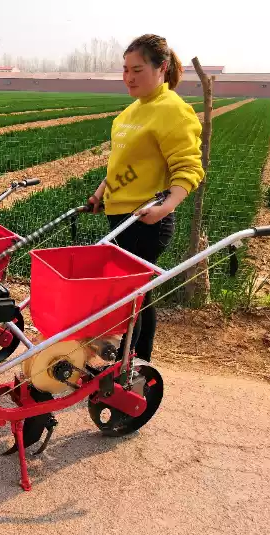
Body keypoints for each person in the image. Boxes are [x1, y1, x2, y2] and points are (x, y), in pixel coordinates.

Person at [87, 34, 204, 362]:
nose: (129, 77)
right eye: (125, 69)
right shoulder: (130, 113)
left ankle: (123, 369)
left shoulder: (173, 111)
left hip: (148, 219)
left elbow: (188, 167)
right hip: (118, 215)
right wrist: (99, 194)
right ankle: (140, 361)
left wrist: (166, 206)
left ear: (161, 68)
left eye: (137, 69)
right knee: (139, 293)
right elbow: (120, 166)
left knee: (128, 296)